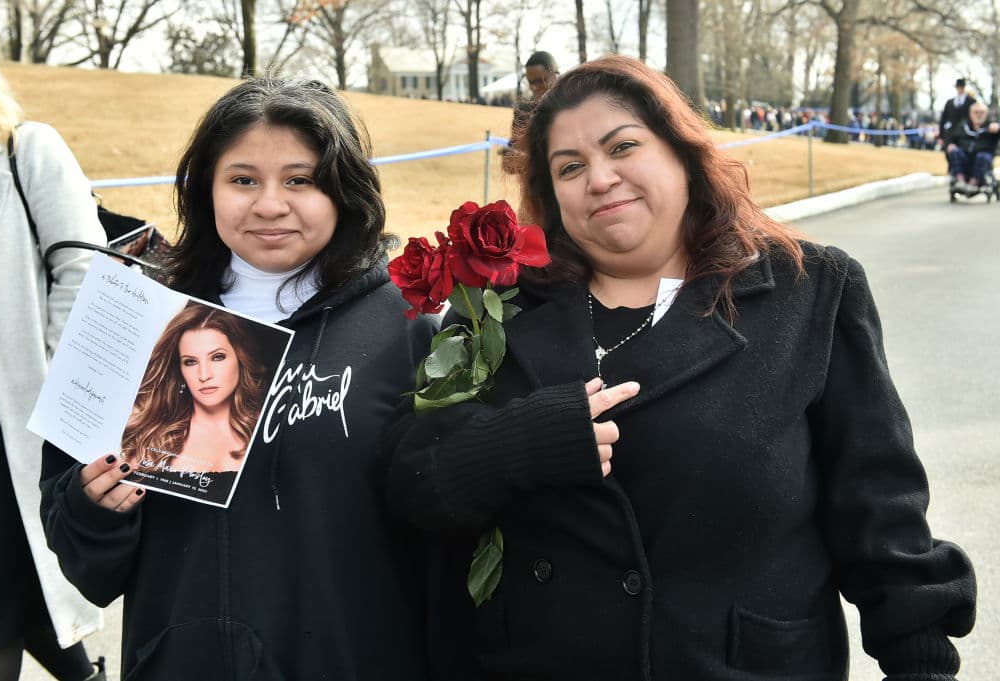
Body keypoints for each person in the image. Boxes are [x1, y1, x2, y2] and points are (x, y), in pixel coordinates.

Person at [386, 55, 977, 681]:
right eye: (571, 167)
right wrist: (519, 444)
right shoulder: (496, 309)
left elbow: (882, 523)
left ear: (680, 151)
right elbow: (412, 478)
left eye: (623, 147)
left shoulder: (810, 292)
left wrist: (922, 664)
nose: (600, 178)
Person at [40, 77, 440, 680]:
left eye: (300, 180)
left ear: (344, 190)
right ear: (206, 189)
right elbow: (81, 552)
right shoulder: (136, 318)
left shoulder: (406, 326)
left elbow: (443, 526)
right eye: (243, 179)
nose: (270, 204)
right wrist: (94, 507)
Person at [0, 37, 108, 681]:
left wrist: (58, 384)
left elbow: (85, 263)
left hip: (12, 421)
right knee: (17, 594)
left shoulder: (26, 151)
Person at [119, 302, 271, 501]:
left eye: (217, 357)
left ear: (241, 359)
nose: (204, 375)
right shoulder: (148, 433)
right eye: (190, 362)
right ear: (179, 370)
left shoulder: (269, 429)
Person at [500, 50, 559, 175]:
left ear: (555, 76)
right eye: (530, 82)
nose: (534, 87)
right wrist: (512, 159)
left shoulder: (572, 108)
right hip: (535, 190)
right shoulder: (523, 111)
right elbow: (509, 164)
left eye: (539, 81)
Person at [945, 101, 1000, 194]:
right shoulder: (963, 126)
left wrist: (998, 128)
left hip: (983, 158)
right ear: (970, 114)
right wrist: (950, 144)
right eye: (976, 112)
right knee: (954, 151)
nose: (979, 115)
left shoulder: (991, 126)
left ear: (986, 114)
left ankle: (972, 184)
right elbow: (951, 138)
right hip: (965, 157)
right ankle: (960, 182)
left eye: (981, 112)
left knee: (983, 156)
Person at [939, 77, 975, 149]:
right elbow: (944, 118)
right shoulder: (950, 102)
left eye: (961, 87)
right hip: (951, 132)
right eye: (958, 87)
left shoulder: (971, 101)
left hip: (965, 132)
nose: (960, 89)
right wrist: (941, 135)